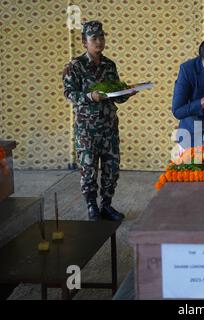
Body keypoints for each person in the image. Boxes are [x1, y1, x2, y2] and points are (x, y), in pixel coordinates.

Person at [62, 21, 135, 221]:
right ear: (84, 42)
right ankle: (92, 206)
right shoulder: (74, 66)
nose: (99, 42)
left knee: (111, 168)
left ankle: (106, 205)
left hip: (109, 127)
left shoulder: (109, 65)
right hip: (87, 130)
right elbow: (69, 94)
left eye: (102, 37)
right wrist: (89, 97)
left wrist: (127, 92)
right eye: (94, 38)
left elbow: (113, 93)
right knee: (89, 169)